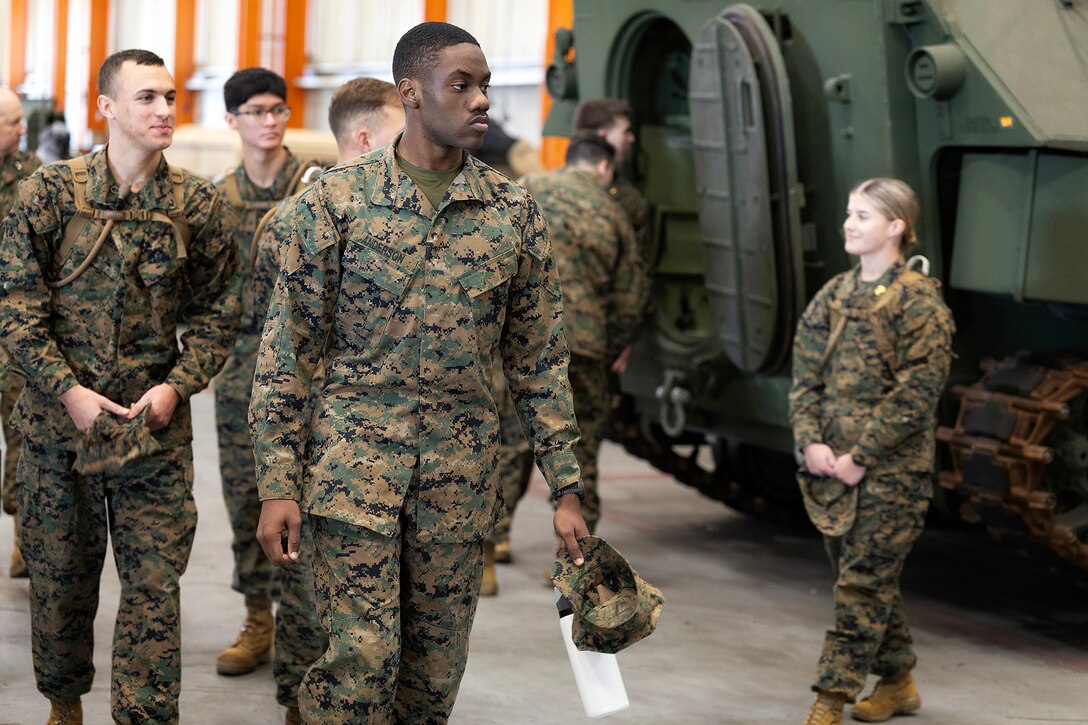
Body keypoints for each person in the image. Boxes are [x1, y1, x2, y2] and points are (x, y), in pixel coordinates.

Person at [249, 21, 588, 723]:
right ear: (411, 93)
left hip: (459, 486)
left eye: (485, 85)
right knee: (359, 669)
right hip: (352, 478)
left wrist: (567, 487)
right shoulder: (336, 204)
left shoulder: (510, 210)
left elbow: (539, 359)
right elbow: (288, 354)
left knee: (432, 681)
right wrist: (277, 483)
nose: (480, 101)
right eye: (460, 85)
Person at [0, 49, 240, 724]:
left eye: (169, 97)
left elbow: (220, 314)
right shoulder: (49, 195)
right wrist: (65, 390)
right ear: (107, 108)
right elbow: (15, 305)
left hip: (152, 430)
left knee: (155, 585)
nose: (164, 109)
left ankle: (144, 713)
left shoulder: (197, 203)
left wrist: (176, 386)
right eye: (146, 98)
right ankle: (64, 701)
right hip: (57, 433)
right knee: (59, 580)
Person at [247, 75, 405, 725]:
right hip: (307, 433)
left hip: (369, 443)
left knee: (355, 596)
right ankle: (297, 701)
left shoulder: (399, 219)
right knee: (304, 587)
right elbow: (274, 341)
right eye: (402, 136)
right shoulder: (292, 221)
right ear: (363, 138)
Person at [788, 178, 954, 725]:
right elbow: (805, 377)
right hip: (830, 467)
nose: (849, 224)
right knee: (866, 580)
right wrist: (810, 440)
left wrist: (861, 455)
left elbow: (918, 394)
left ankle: (828, 700)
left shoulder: (917, 301)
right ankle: (900, 681)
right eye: (849, 213)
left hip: (890, 473)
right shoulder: (834, 295)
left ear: (897, 227)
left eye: (863, 215)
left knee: (860, 585)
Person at [481, 132, 645, 595]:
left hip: (523, 348)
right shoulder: (613, 212)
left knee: (509, 447)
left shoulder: (525, 193)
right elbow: (632, 295)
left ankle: (490, 551)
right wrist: (610, 344)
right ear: (603, 169)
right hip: (585, 352)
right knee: (581, 452)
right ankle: (575, 564)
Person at [213, 66, 323, 678]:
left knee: (304, 500)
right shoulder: (216, 198)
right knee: (243, 500)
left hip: (304, 376)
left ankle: (300, 628)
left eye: (278, 109)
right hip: (238, 375)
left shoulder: (313, 187)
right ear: (232, 120)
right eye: (256, 111)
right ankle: (258, 619)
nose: (270, 121)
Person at [0, 85, 40, 579]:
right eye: (12, 122)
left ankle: (24, 535)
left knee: (22, 433)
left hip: (14, 332)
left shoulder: (34, 179)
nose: (21, 130)